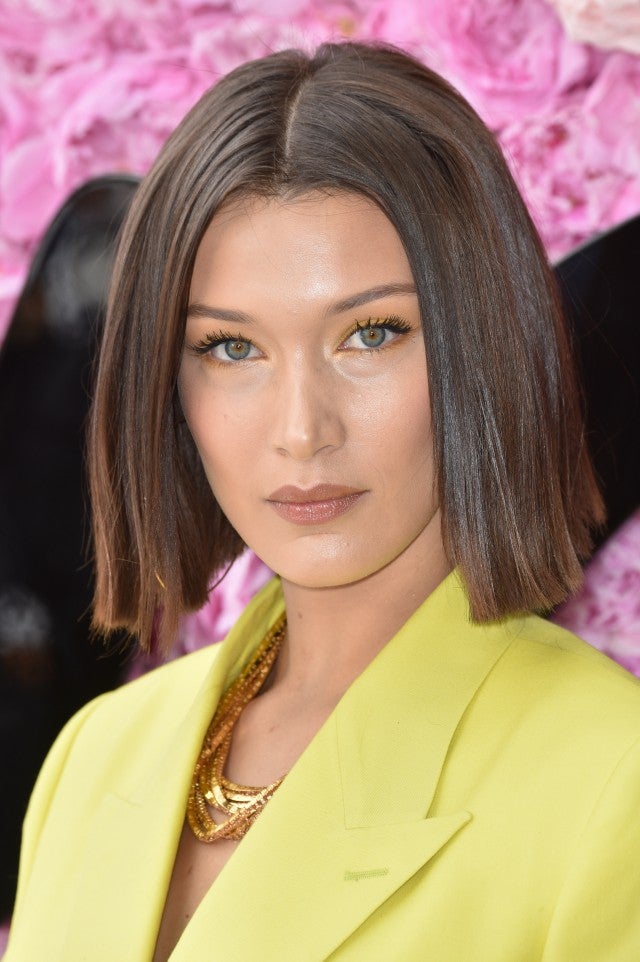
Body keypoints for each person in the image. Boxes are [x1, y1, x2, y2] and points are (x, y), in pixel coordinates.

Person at [5, 41, 640, 962]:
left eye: (371, 334)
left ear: (482, 344)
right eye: (231, 348)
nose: (302, 430)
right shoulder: (93, 757)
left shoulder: (610, 780)